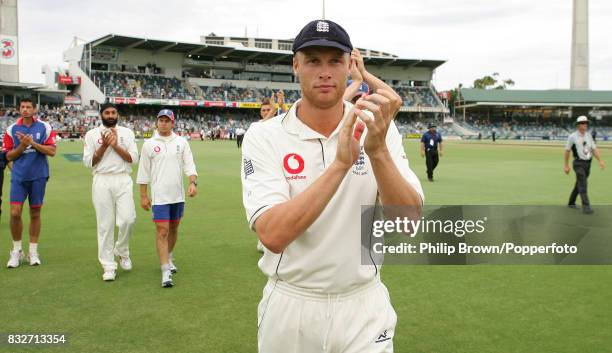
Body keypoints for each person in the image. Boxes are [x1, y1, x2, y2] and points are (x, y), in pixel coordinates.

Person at [241, 20, 423, 352]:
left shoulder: (379, 128)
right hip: (293, 303)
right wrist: (341, 164)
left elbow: (407, 222)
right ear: (296, 65)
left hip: (363, 303)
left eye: (334, 61)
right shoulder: (264, 135)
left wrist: (378, 150)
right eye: (313, 60)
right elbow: (272, 235)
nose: (325, 71)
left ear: (349, 67)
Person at [137, 109, 198, 288]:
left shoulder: (181, 142)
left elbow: (189, 164)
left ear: (173, 123)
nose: (163, 123)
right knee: (162, 230)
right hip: (159, 196)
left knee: (174, 228)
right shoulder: (149, 144)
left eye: (167, 120)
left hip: (177, 195)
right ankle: (165, 271)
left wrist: (193, 183)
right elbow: (143, 171)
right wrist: (143, 195)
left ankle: (169, 257)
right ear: (157, 123)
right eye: (160, 120)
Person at [83, 103, 138, 281]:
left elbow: (133, 159)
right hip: (101, 179)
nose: (110, 115)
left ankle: (121, 249)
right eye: (107, 112)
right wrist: (105, 145)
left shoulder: (127, 133)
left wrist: (115, 145)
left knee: (128, 220)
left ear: (117, 114)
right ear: (101, 115)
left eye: (113, 112)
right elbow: (88, 162)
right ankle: (108, 265)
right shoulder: (92, 134)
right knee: (105, 225)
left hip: (123, 178)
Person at [3, 98, 56, 268]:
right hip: (19, 176)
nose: (25, 109)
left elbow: (52, 151)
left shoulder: (44, 127)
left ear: (34, 109)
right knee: (15, 213)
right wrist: (22, 146)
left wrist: (32, 143)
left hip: (39, 176)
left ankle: (33, 251)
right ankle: (17, 250)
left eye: (28, 107)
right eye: (22, 107)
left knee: (35, 213)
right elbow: (8, 156)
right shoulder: (11, 129)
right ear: (19, 109)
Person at [564, 116, 605, 214]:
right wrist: (566, 165)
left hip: (588, 164)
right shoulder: (572, 136)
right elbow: (567, 151)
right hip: (578, 163)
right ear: (578, 125)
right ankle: (586, 207)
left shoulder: (589, 135)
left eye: (586, 123)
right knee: (583, 184)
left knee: (579, 184)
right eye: (582, 123)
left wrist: (600, 160)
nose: (585, 125)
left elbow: (594, 149)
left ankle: (571, 202)